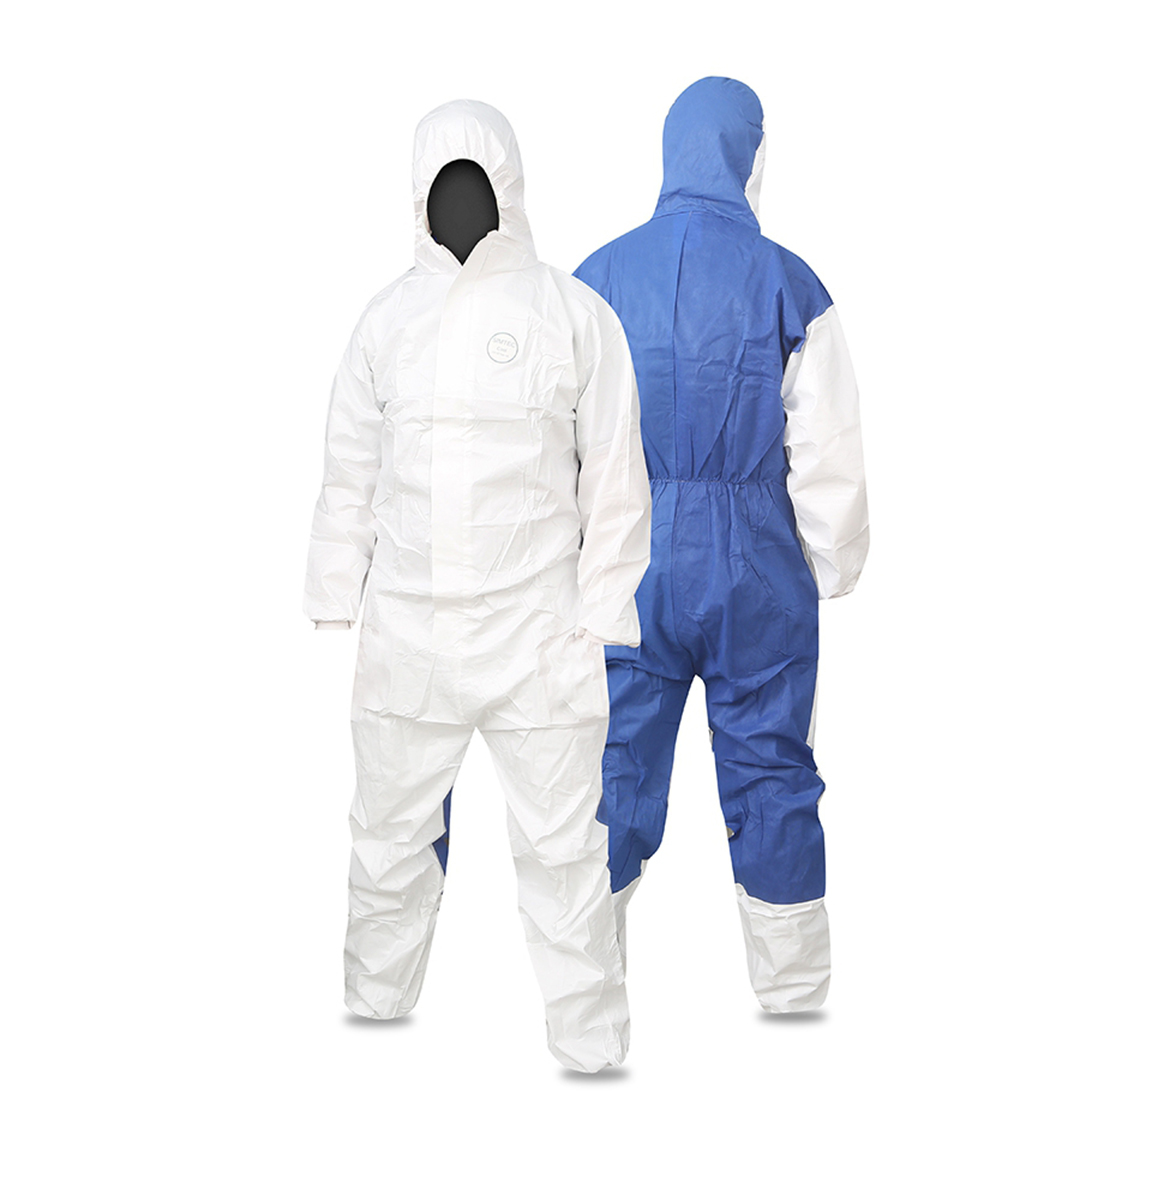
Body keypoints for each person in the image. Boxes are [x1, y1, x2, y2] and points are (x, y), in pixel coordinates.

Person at [305, 99, 652, 1070]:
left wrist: (601, 611)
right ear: (418, 195)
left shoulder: (572, 315)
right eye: (443, 186)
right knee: (387, 834)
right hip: (408, 631)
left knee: (566, 852)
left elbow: (615, 474)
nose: (460, 203)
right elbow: (350, 469)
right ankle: (376, 999)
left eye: (475, 183)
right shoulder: (386, 322)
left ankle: (590, 1041)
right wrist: (335, 587)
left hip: (538, 632)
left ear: (509, 187)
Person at [575, 77, 868, 1012]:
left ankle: (585, 989)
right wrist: (833, 562)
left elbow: (556, 439)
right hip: (756, 567)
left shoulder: (595, 278)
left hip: (630, 566)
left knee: (610, 770)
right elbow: (827, 446)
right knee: (774, 772)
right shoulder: (789, 281)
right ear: (747, 154)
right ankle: (794, 995)